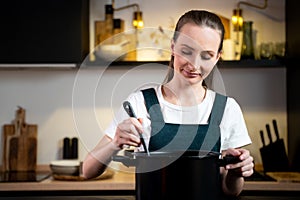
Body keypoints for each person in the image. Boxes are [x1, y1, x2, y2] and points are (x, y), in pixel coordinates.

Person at [83, 10, 254, 197]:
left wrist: (236, 172)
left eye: (206, 56)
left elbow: (231, 191)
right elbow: (88, 171)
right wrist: (115, 143)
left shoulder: (227, 109)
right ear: (173, 47)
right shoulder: (140, 103)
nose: (194, 65)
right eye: (186, 51)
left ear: (217, 57)